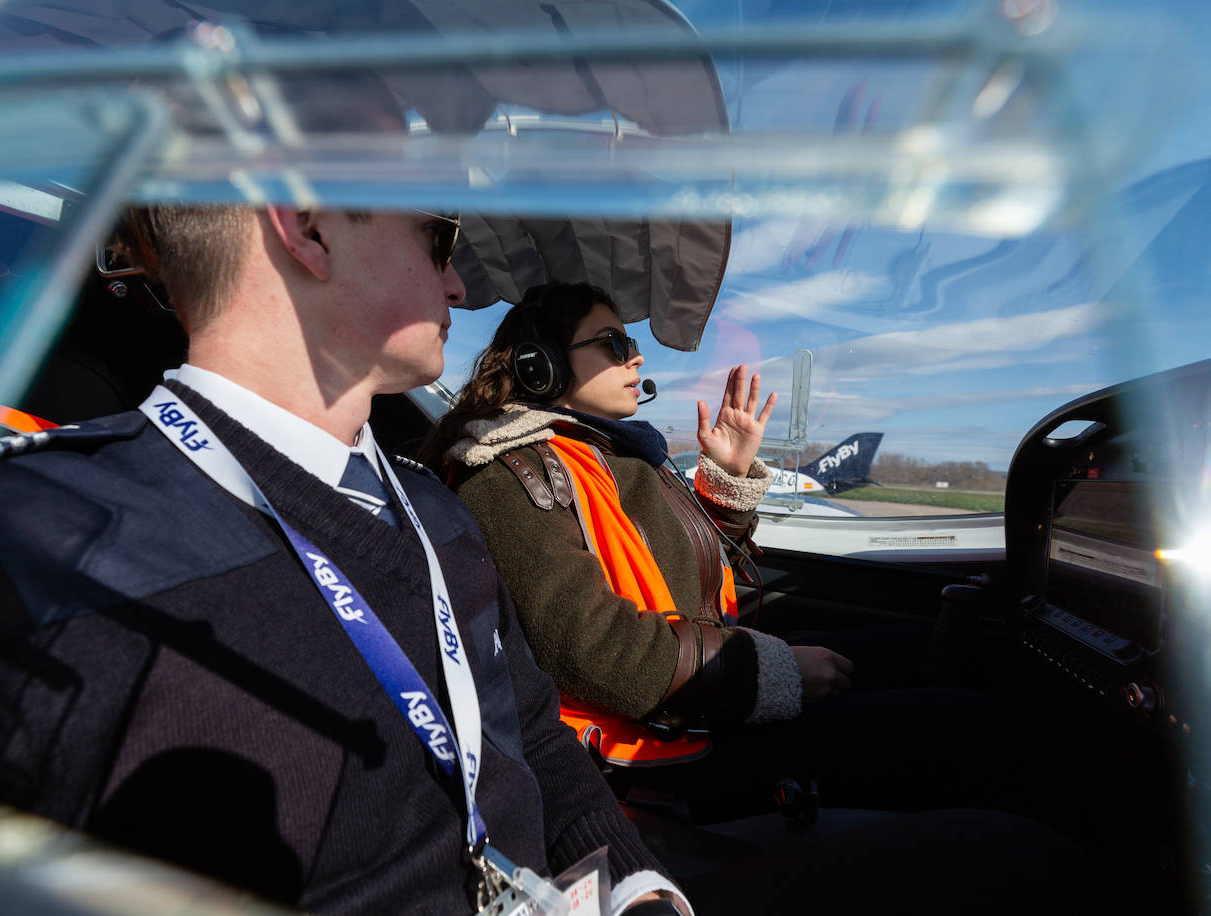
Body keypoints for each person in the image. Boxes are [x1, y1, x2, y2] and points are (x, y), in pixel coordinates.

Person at [0, 207, 697, 914]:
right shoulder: (28, 550)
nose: (458, 285)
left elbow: (536, 745)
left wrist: (641, 893)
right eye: (437, 240)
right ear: (309, 226)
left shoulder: (436, 510)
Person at [421, 282, 1020, 815]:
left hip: (702, 685)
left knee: (931, 645)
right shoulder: (509, 474)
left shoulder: (612, 453)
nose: (636, 357)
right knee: (970, 724)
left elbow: (688, 578)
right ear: (540, 365)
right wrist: (767, 673)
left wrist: (724, 486)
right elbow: (592, 653)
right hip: (660, 741)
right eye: (611, 342)